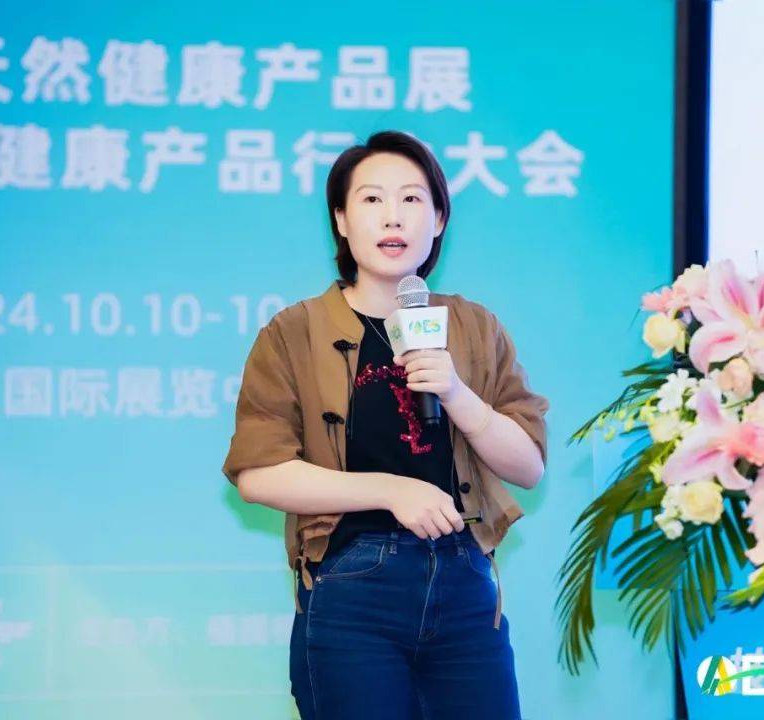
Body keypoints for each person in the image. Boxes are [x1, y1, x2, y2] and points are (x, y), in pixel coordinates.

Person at [222, 130, 549, 720]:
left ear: (439, 219)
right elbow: (258, 473)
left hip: (465, 586)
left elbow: (527, 467)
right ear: (341, 221)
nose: (393, 216)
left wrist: (456, 392)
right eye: (372, 199)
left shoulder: (474, 327)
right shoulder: (294, 332)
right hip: (354, 590)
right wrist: (391, 490)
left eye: (412, 199)